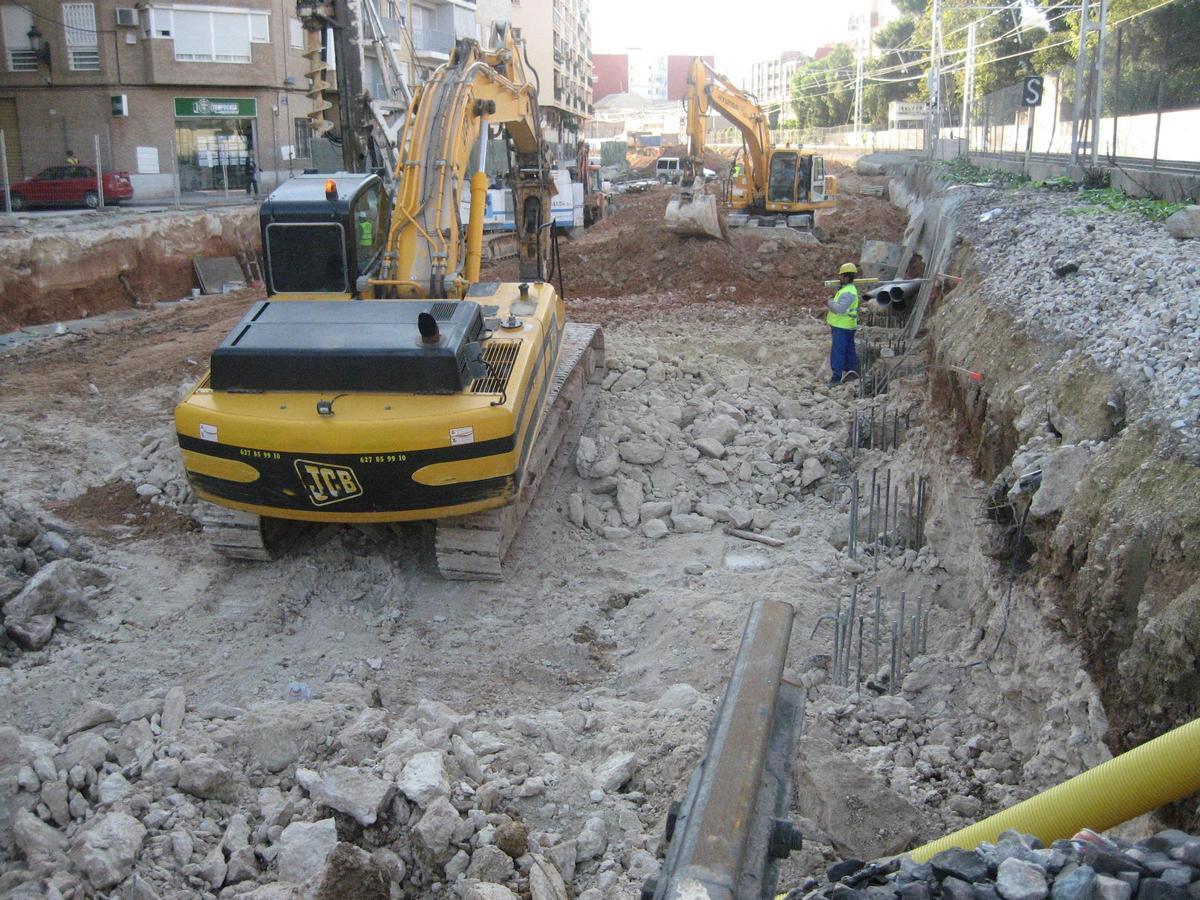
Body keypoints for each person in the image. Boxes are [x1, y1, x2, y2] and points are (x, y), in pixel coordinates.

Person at [826, 262, 860, 385]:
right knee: (849, 349)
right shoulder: (848, 289)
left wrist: (829, 302)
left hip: (842, 326)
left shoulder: (847, 292)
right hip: (848, 325)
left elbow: (840, 309)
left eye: (841, 276)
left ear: (846, 277)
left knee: (838, 351)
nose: (839, 278)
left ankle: (836, 378)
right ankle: (851, 373)